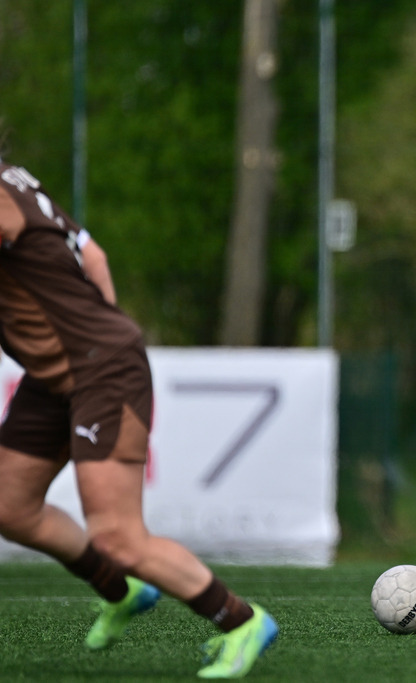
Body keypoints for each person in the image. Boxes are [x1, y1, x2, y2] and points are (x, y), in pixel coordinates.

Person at [0, 159, 277, 678]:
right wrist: (98, 334)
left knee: (119, 537)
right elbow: (96, 257)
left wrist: (101, 350)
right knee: (9, 506)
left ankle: (242, 621)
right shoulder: (15, 179)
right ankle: (121, 590)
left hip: (99, 370)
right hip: (62, 373)